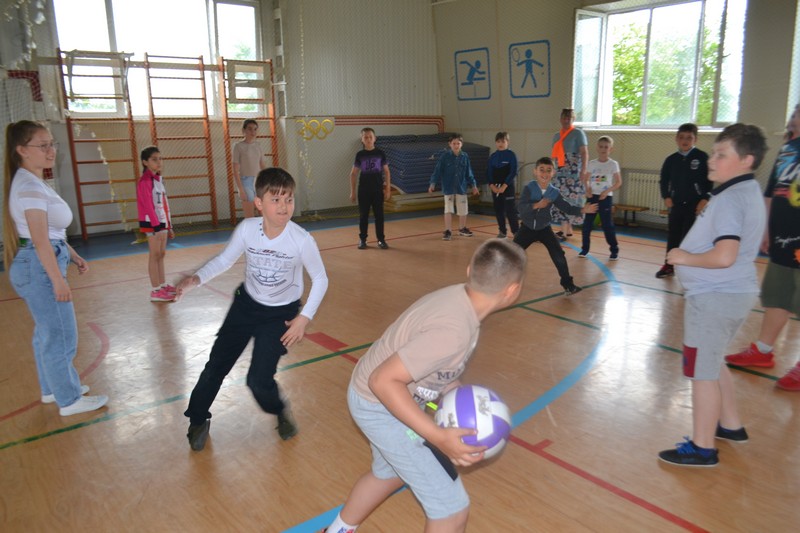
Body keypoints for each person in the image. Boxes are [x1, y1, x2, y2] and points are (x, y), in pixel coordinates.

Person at [322, 239, 526, 533]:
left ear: (470, 271)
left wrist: (454, 392)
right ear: (512, 290)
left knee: (389, 474)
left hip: (374, 395)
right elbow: (382, 381)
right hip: (380, 405)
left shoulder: (461, 301)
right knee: (450, 510)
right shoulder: (453, 330)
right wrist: (437, 436)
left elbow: (434, 364)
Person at [176, 167, 328, 451]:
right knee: (215, 367)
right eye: (275, 199)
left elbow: (320, 278)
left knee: (258, 380)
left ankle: (279, 410)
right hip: (246, 307)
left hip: (280, 315)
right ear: (259, 203)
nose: (284, 206)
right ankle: (197, 419)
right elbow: (224, 260)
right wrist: (195, 279)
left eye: (289, 199)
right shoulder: (247, 229)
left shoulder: (301, 239)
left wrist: (303, 318)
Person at [658, 123, 768, 467]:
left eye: (722, 154)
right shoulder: (744, 190)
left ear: (746, 160)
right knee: (713, 360)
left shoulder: (731, 198)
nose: (711, 159)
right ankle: (730, 424)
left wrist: (683, 257)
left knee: (701, 371)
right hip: (730, 294)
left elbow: (724, 256)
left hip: (715, 297)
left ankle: (702, 448)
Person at [3, 120, 108, 416]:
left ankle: (52, 389)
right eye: (43, 145)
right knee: (60, 335)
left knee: (46, 333)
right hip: (40, 268)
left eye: (52, 144)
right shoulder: (29, 187)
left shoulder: (31, 182)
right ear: (22, 150)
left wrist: (72, 254)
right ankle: (69, 400)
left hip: (38, 263)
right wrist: (57, 281)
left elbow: (50, 233)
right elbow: (39, 239)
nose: (51, 150)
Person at [724, 104, 800, 392]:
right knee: (777, 297)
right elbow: (771, 193)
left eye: (797, 114)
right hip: (783, 239)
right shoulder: (787, 150)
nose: (793, 118)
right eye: (793, 113)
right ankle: (763, 350)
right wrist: (766, 229)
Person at [513, 157, 597, 296]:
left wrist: (583, 209)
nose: (545, 173)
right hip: (527, 228)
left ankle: (568, 285)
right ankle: (500, 282)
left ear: (553, 173)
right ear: (535, 171)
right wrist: (537, 205)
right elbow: (521, 208)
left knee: (559, 255)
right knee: (511, 253)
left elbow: (567, 208)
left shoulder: (554, 192)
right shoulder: (529, 188)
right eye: (541, 170)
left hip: (544, 229)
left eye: (548, 170)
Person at [656, 123, 711, 279]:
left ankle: (689, 269)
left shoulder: (702, 157)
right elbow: (664, 180)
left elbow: (709, 181)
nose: (685, 141)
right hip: (676, 204)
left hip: (695, 205)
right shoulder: (671, 160)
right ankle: (669, 265)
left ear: (695, 139)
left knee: (691, 237)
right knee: (673, 235)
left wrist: (705, 198)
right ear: (676, 139)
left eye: (689, 138)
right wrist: (666, 196)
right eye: (681, 137)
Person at [137, 146, 175, 302]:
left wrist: (168, 225)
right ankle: (155, 290)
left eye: (160, 158)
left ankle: (163, 285)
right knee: (154, 255)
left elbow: (164, 204)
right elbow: (147, 205)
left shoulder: (158, 180)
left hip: (162, 221)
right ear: (145, 162)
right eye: (154, 159)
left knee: (161, 254)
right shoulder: (145, 181)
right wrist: (157, 226)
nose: (159, 162)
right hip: (152, 223)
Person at [428, 133, 479, 241]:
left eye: (458, 143)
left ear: (462, 144)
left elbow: (469, 172)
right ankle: (448, 230)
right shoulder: (445, 156)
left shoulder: (465, 156)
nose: (456, 145)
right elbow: (437, 171)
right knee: (448, 208)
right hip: (448, 187)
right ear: (450, 144)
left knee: (463, 209)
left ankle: (462, 228)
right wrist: (432, 184)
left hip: (461, 187)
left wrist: (474, 185)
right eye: (454, 143)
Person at [579, 136, 621, 260]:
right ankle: (584, 249)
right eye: (601, 146)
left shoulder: (613, 164)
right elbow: (586, 179)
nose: (603, 149)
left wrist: (606, 192)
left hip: (605, 198)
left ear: (611, 149)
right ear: (597, 148)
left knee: (607, 225)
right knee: (587, 225)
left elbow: (618, 182)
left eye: (606, 147)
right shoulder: (592, 163)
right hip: (592, 197)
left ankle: (614, 250)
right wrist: (588, 189)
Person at [349, 127, 391, 249]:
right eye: (365, 137)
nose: (368, 139)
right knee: (363, 216)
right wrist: (352, 192)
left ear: (375, 138)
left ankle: (381, 240)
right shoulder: (360, 155)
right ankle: (363, 240)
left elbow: (387, 171)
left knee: (379, 216)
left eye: (370, 137)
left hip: (377, 190)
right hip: (364, 190)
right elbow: (353, 173)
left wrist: (388, 189)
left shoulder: (380, 153)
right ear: (362, 139)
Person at [550, 108, 588, 241]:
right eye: (564, 118)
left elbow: (584, 153)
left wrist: (583, 170)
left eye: (569, 118)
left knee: (571, 200)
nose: (566, 120)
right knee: (560, 199)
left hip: (573, 173)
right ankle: (567, 229)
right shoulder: (556, 136)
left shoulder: (578, 133)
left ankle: (564, 232)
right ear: (560, 119)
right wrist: (552, 170)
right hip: (560, 173)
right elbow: (554, 156)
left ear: (573, 119)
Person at [233, 119, 267, 219]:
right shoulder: (238, 146)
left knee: (264, 214)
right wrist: (240, 189)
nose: (253, 132)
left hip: (259, 181)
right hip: (246, 181)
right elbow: (235, 170)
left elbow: (262, 165)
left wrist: (267, 181)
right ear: (244, 130)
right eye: (250, 129)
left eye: (255, 129)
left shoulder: (258, 145)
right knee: (250, 216)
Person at [487, 131, 519, 239]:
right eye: (498, 141)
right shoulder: (493, 156)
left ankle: (516, 232)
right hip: (495, 188)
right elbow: (489, 172)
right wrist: (492, 186)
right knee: (498, 209)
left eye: (503, 141)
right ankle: (502, 231)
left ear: (507, 142)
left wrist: (504, 186)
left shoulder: (511, 155)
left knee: (510, 210)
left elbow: (513, 171)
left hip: (508, 187)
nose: (500, 144)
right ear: (495, 142)